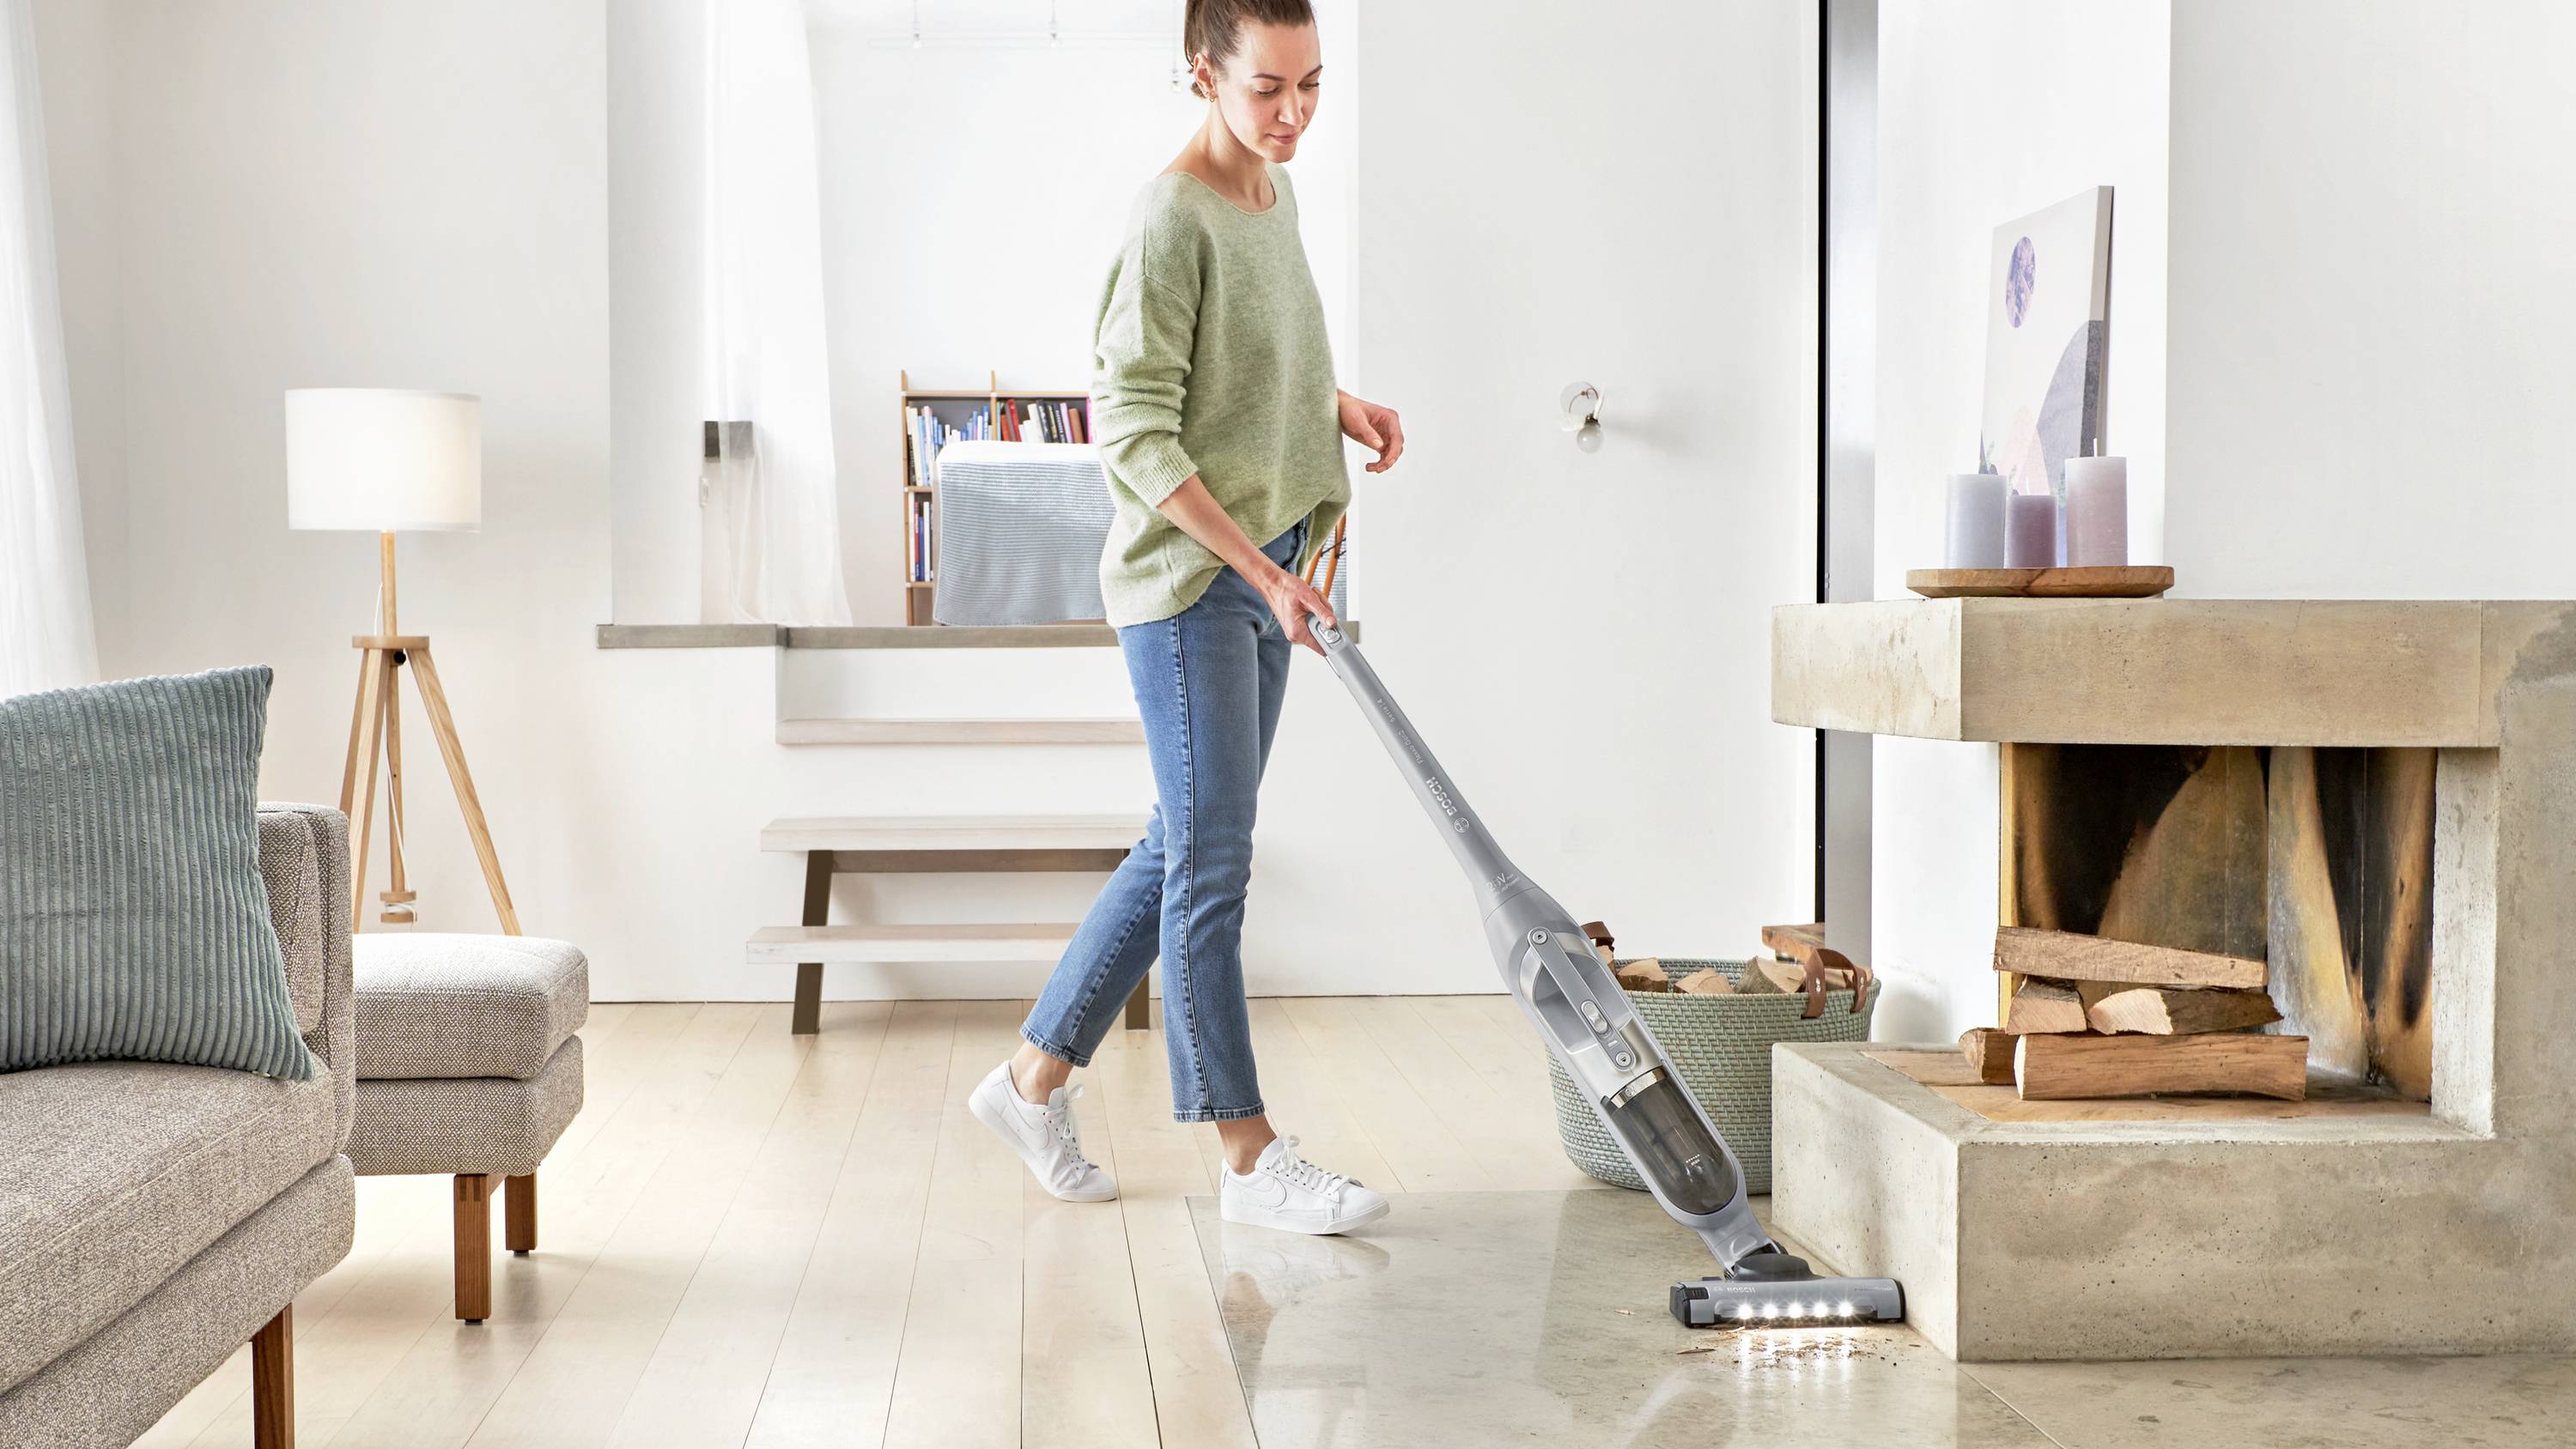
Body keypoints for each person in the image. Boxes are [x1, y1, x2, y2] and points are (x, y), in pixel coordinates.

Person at [967, 0, 1403, 1235]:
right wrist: (1263, 577)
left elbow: (1250, 364)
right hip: (1193, 587)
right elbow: (1135, 427)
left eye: (1311, 84)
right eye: (1269, 88)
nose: (1295, 112)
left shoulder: (1275, 194)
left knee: (1183, 844)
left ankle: (1029, 1083)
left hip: (1267, 569)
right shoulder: (1170, 219)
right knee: (1212, 861)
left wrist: (1337, 405)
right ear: (1202, 74)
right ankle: (1250, 1159)